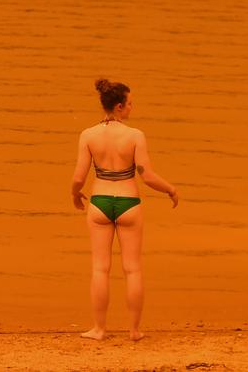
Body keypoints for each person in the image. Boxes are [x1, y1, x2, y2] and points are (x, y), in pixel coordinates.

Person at [70, 78, 178, 341]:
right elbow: (147, 175)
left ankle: (99, 329)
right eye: (129, 103)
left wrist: (75, 195)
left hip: (100, 203)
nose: (132, 107)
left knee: (100, 268)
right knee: (133, 269)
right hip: (129, 203)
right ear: (119, 106)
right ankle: (134, 330)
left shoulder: (88, 135)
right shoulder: (134, 136)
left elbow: (78, 177)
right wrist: (171, 189)